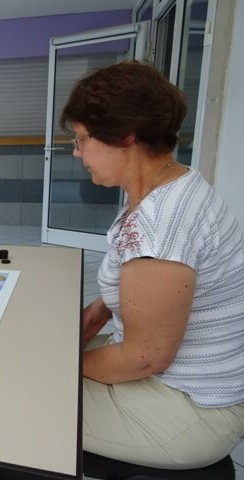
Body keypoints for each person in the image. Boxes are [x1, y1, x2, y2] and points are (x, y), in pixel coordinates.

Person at [60, 61, 244, 470]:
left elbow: (144, 358)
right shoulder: (167, 186)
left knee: (19, 394)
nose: (76, 152)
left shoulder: (161, 227)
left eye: (82, 138)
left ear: (126, 135)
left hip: (187, 410)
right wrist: (93, 316)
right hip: (174, 383)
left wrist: (59, 364)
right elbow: (135, 288)